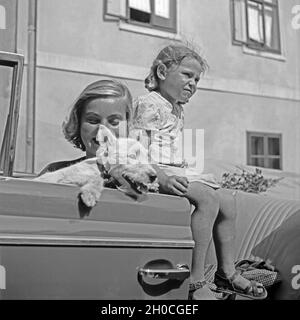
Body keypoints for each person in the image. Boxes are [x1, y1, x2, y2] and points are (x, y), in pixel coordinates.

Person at [131, 44, 267, 300]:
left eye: (197, 79)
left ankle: (226, 272)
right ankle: (194, 280)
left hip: (174, 170)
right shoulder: (150, 104)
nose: (193, 83)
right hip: (152, 173)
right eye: (186, 75)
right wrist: (163, 178)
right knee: (207, 197)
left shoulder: (176, 108)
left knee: (228, 202)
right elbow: (139, 151)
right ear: (162, 71)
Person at [38, 79, 133, 178]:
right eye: (93, 121)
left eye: (114, 122)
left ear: (128, 125)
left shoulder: (143, 181)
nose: (103, 131)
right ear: (78, 122)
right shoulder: (54, 173)